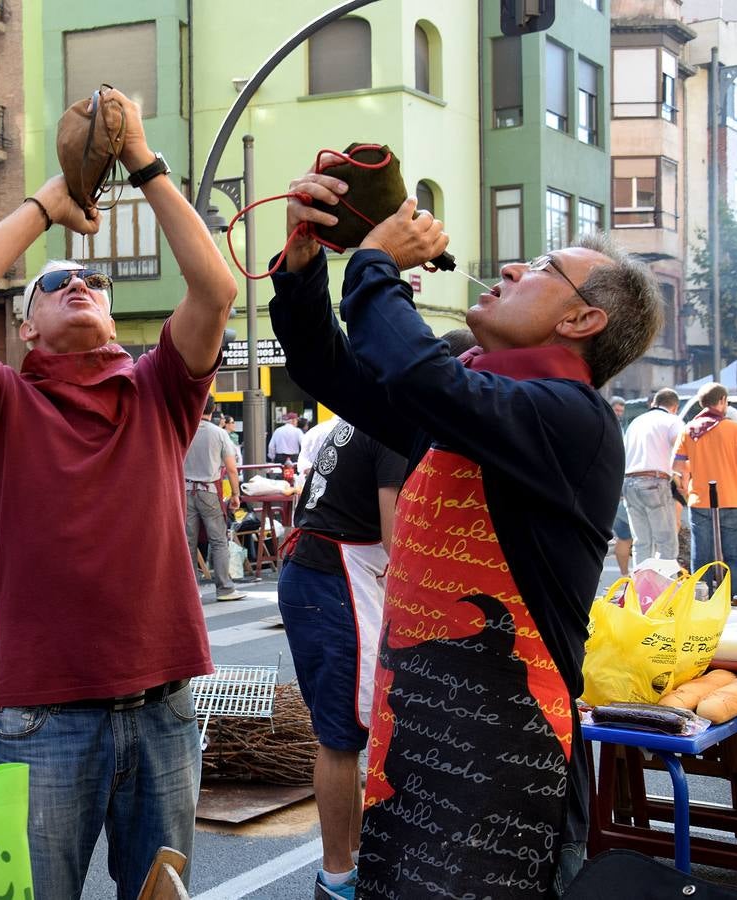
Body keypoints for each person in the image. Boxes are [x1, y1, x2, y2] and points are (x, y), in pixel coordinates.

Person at [270, 171, 661, 898]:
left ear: (581, 324)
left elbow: (417, 372)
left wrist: (374, 261)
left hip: (511, 776)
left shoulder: (572, 418)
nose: (513, 267)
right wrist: (301, 259)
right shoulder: (469, 403)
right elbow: (327, 366)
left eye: (542, 270)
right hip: (413, 755)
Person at [0, 86, 237, 899]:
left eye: (91, 278)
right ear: (24, 329)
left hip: (162, 709)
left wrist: (143, 161)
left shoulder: (159, 389)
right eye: (55, 282)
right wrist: (46, 207)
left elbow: (215, 290)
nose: (80, 281)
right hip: (43, 720)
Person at [278, 419, 406, 898]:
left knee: (346, 731)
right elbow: (399, 538)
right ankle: (336, 876)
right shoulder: (398, 425)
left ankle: (352, 860)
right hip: (333, 579)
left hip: (317, 572)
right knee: (340, 735)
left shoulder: (361, 413)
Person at [673, 382, 737, 606]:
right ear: (722, 401)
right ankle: (735, 600)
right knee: (734, 556)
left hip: (700, 500)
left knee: (702, 557)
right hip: (730, 498)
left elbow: (678, 466)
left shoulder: (689, 429)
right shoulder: (734, 429)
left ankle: (701, 600)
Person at [184, 395, 245, 602]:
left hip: (184, 490)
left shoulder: (184, 430)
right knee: (218, 540)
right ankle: (225, 588)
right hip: (209, 490)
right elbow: (231, 469)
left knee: (188, 542)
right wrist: (236, 495)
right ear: (213, 409)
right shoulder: (219, 433)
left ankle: (190, 591)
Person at [622, 388, 684, 565]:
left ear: (654, 403)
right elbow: (680, 447)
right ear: (675, 407)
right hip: (654, 482)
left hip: (629, 482)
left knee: (642, 543)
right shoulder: (672, 420)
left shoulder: (636, 422)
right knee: (666, 543)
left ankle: (642, 590)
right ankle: (664, 589)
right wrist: (678, 475)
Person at [609, 396, 633, 576]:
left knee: (625, 536)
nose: (618, 415)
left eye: (621, 412)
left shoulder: (622, 430)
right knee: (626, 536)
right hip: (616, 490)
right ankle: (625, 576)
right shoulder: (610, 429)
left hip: (622, 488)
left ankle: (625, 577)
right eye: (616, 411)